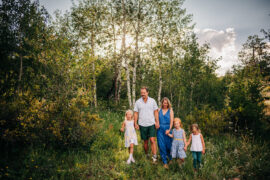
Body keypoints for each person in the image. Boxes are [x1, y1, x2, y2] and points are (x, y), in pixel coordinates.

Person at [134, 86, 159, 163]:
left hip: (151, 124)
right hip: (142, 124)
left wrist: (157, 121)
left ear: (147, 92)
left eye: (144, 93)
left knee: (152, 140)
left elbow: (156, 111)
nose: (142, 94)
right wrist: (135, 123)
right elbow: (135, 113)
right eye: (141, 93)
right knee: (145, 141)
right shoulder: (138, 102)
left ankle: (154, 156)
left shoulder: (152, 101)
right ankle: (147, 154)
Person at [157, 97, 174, 169]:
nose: (165, 104)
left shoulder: (170, 111)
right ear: (162, 103)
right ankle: (165, 162)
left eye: (166, 103)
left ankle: (170, 158)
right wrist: (156, 124)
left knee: (169, 145)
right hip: (160, 129)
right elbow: (156, 119)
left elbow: (171, 121)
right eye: (164, 103)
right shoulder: (158, 110)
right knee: (161, 145)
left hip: (167, 129)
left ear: (168, 104)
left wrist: (169, 129)